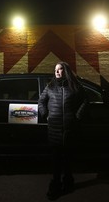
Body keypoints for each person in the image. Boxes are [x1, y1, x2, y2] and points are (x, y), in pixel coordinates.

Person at [38, 61, 88, 200]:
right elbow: (41, 101)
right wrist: (45, 114)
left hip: (70, 129)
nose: (57, 72)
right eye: (55, 70)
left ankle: (68, 181)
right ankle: (55, 185)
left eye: (60, 69)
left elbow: (85, 101)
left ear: (66, 71)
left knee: (68, 159)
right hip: (54, 129)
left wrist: (77, 117)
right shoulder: (50, 87)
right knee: (56, 160)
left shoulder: (75, 86)